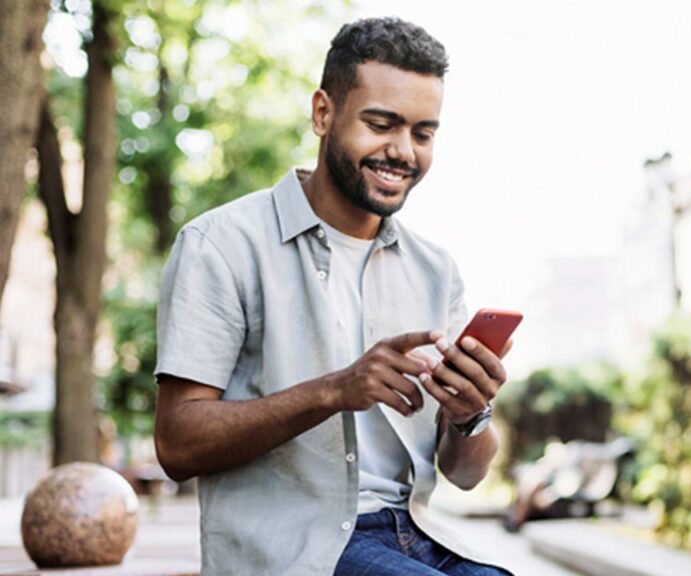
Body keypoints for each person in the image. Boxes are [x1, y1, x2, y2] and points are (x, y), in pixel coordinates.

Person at [153, 17, 512, 576]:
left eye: (422, 132)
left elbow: (466, 474)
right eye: (381, 124)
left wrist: (470, 414)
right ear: (323, 113)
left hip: (415, 533)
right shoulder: (220, 245)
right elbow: (176, 446)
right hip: (296, 549)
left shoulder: (435, 269)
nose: (402, 151)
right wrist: (334, 390)